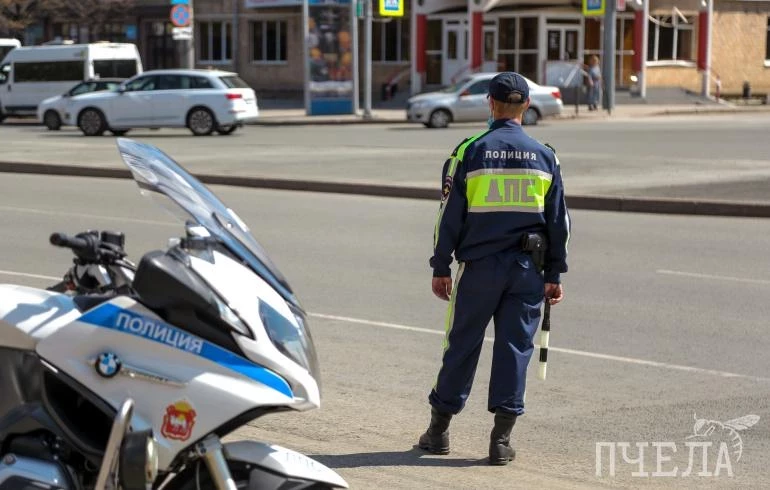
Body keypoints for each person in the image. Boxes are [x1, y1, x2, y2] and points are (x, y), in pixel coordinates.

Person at [418, 72, 571, 465]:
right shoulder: (545, 155)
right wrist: (554, 274)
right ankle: (500, 442)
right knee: (514, 350)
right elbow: (559, 223)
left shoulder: (469, 150)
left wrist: (441, 266)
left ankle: (438, 433)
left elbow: (448, 217)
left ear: (491, 104)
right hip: (527, 271)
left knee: (462, 346)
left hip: (480, 268)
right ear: (525, 107)